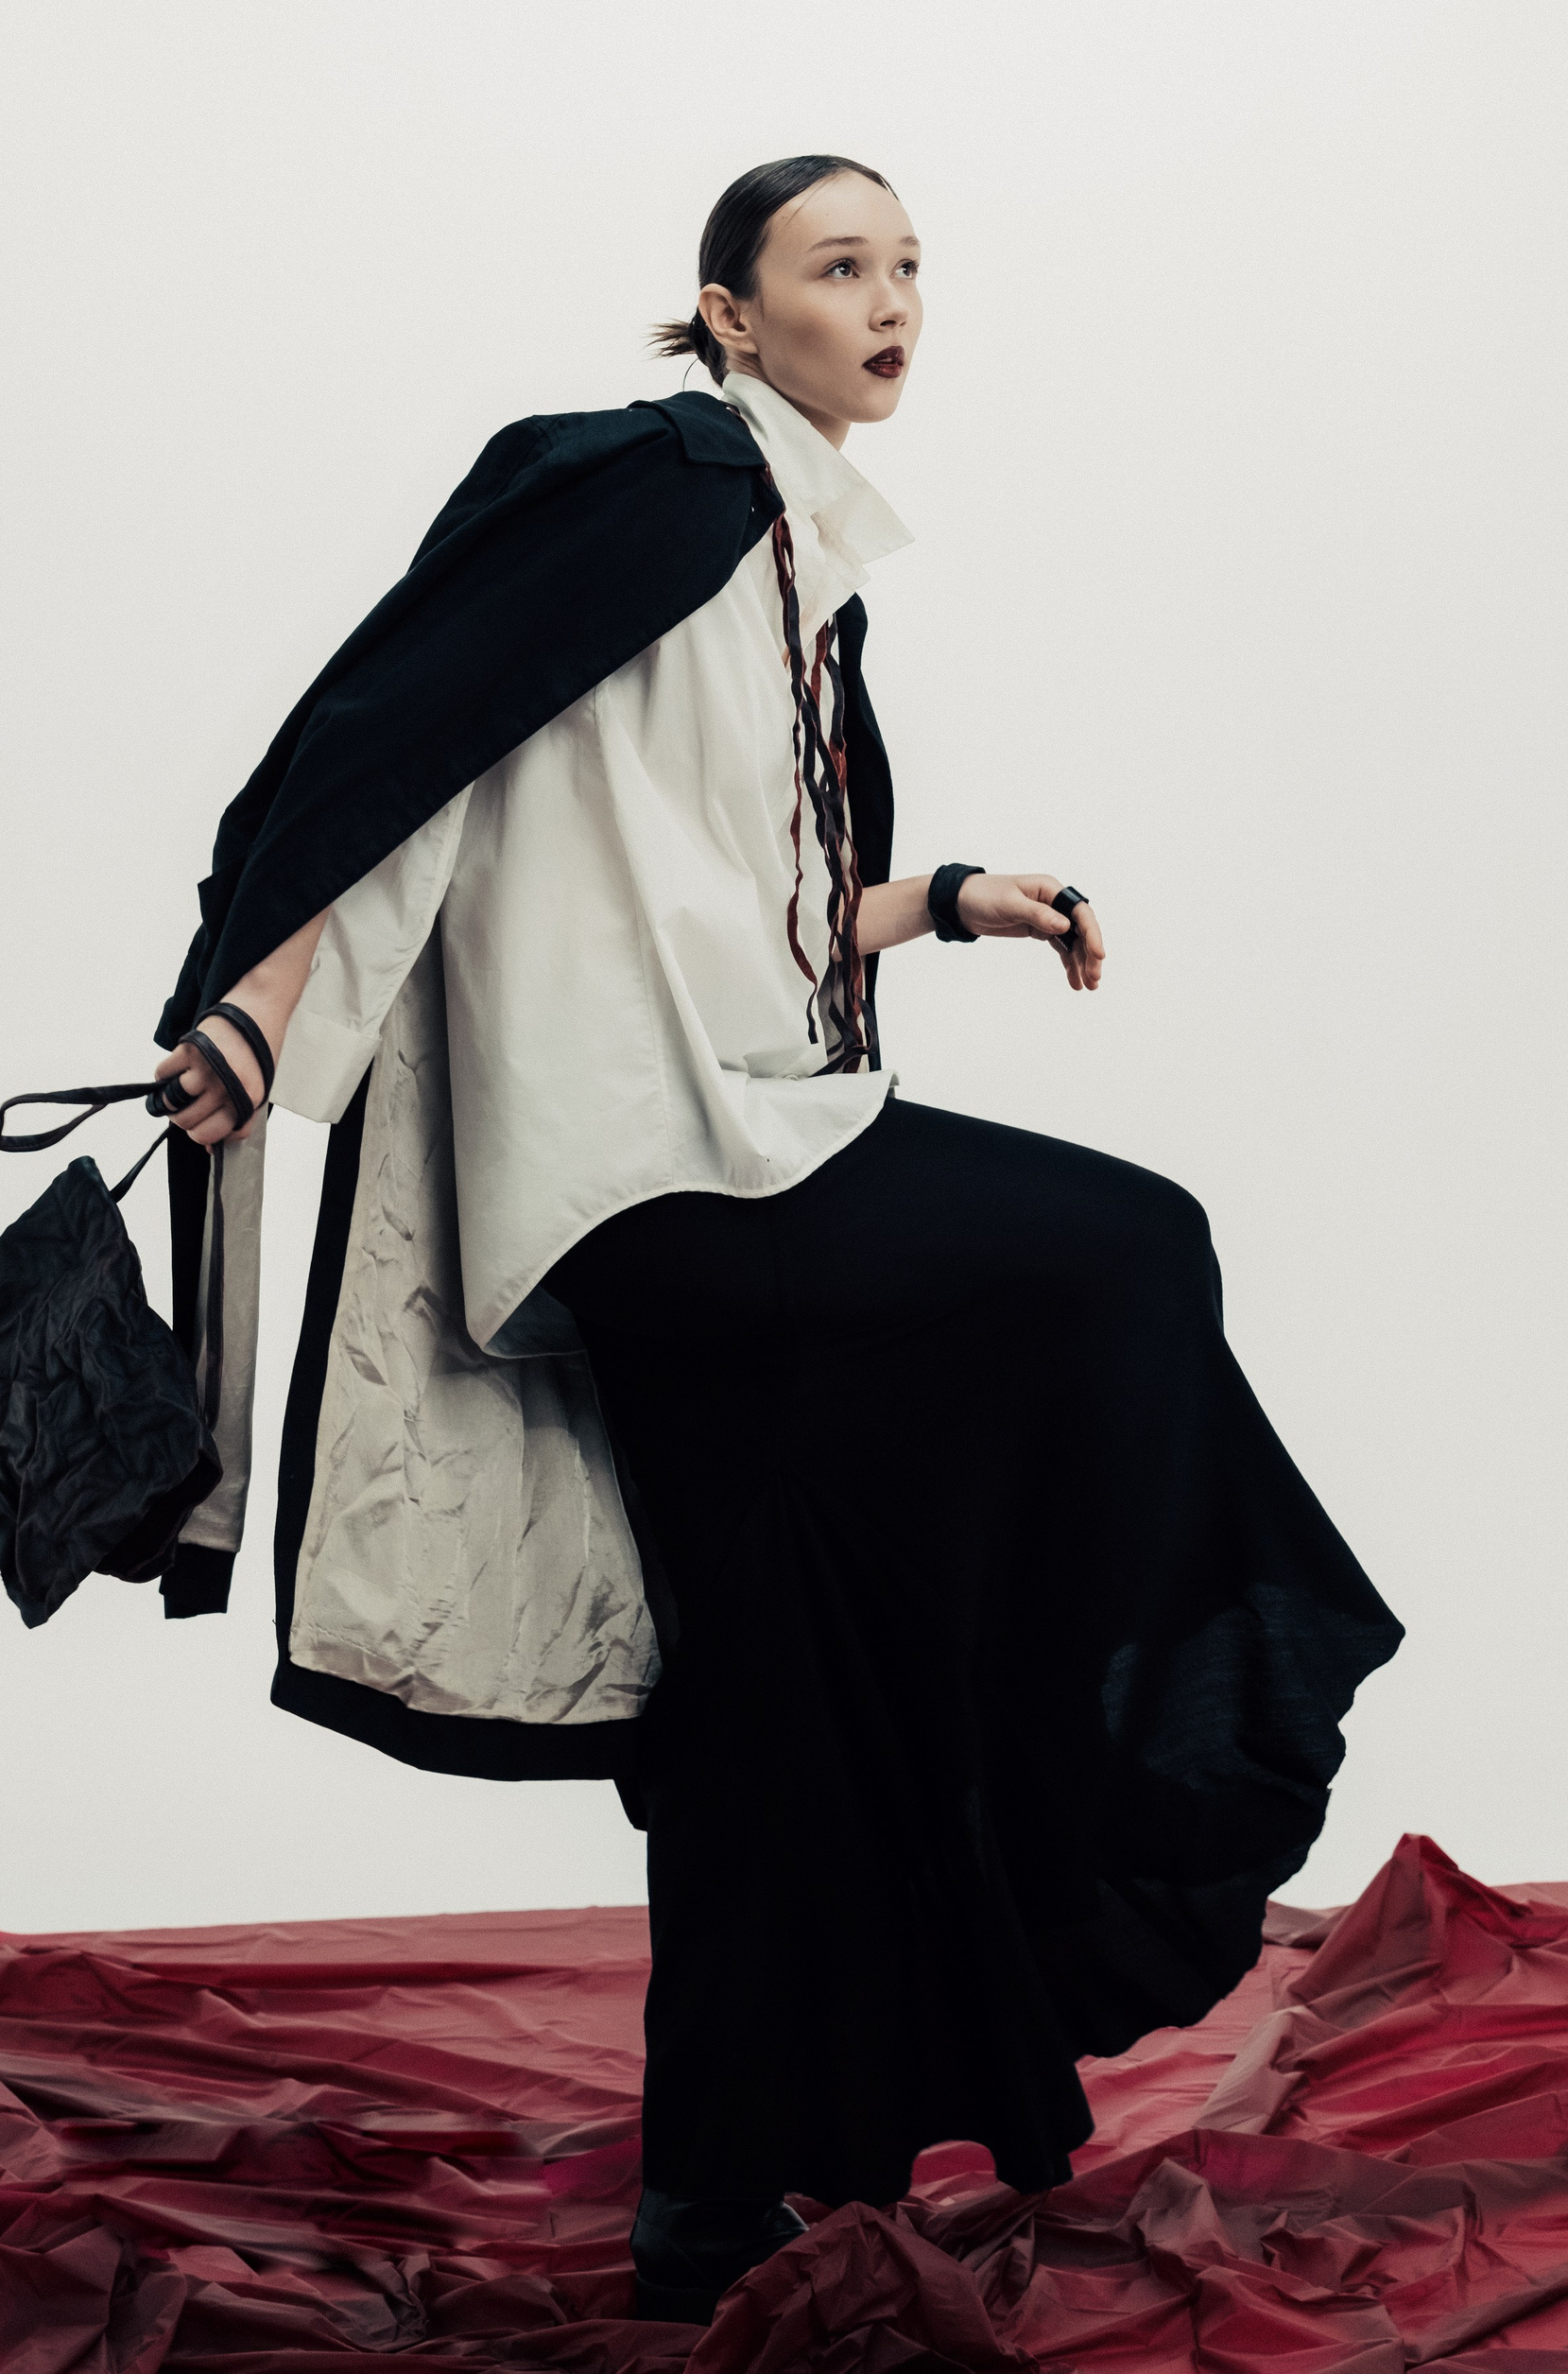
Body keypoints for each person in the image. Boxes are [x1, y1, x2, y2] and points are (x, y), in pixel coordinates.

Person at [150, 155, 1403, 2324]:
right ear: (733, 315)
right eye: (839, 266)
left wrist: (957, 900)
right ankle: (1158, 1739)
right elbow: (403, 748)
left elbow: (738, 917)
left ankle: (718, 2196)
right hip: (666, 1185)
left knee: (776, 1671)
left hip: (723, 1146)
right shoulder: (653, 488)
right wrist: (255, 1015)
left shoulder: (796, 570)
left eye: (909, 265)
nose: (890, 299)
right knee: (1128, 1251)